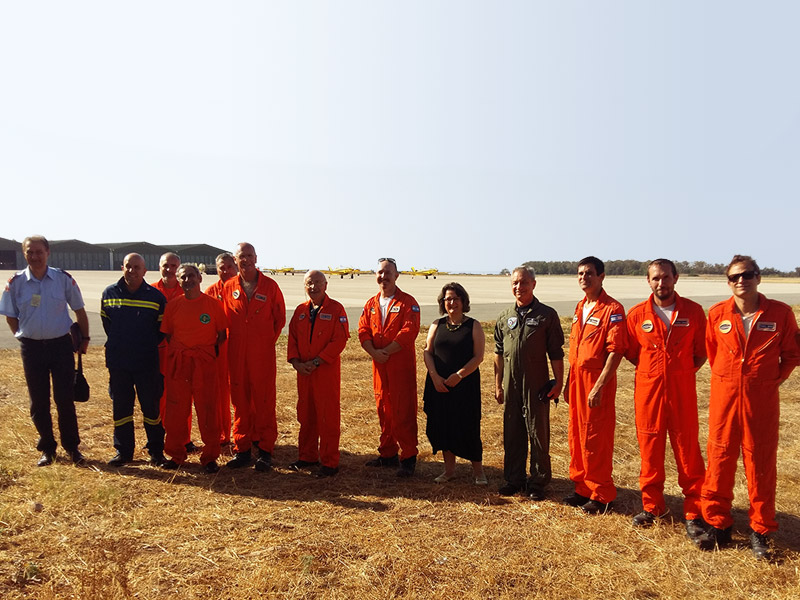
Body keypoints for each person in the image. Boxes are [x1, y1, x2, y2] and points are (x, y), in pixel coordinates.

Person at [694, 255, 800, 559]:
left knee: (761, 466)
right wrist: (732, 382)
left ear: (759, 278)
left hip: (761, 404)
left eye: (748, 275)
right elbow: (713, 355)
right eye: (735, 277)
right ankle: (718, 525)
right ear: (728, 282)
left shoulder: (779, 314)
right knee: (719, 461)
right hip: (725, 402)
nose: (742, 281)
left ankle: (761, 530)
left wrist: (769, 383)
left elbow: (792, 355)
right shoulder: (716, 314)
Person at [625, 259, 707, 534]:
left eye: (666, 277)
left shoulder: (693, 312)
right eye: (656, 278)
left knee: (688, 452)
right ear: (648, 281)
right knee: (650, 451)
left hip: (681, 391)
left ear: (676, 278)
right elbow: (633, 353)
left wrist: (678, 372)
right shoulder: (637, 315)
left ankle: (695, 511)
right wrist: (655, 372)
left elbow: (700, 352)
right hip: (649, 393)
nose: (661, 283)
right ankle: (652, 506)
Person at [0, 236, 89, 466]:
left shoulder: (62, 279)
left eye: (39, 252)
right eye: (30, 252)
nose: (35, 256)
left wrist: (85, 338)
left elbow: (79, 310)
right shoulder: (16, 282)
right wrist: (22, 334)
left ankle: (72, 447)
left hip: (61, 346)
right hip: (32, 349)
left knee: (65, 399)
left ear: (48, 252)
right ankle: (47, 448)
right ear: (24, 254)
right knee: (39, 401)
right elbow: (10, 315)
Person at [564, 256, 628, 514]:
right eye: (580, 273)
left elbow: (616, 350)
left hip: (595, 379)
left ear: (601, 276)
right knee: (576, 436)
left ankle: (602, 494)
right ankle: (582, 488)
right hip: (577, 379)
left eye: (589, 273)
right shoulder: (581, 307)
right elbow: (574, 349)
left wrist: (600, 385)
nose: (584, 277)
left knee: (595, 437)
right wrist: (568, 382)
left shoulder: (612, 309)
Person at [493, 266, 564, 498]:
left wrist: (559, 383)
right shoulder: (505, 317)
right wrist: (497, 384)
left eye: (523, 282)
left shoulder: (546, 315)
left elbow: (556, 353)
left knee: (538, 433)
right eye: (514, 283)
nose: (518, 287)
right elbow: (498, 352)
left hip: (536, 385)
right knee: (512, 432)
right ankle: (514, 479)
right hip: (511, 385)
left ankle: (538, 482)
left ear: (533, 284)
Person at [221, 242, 286, 471]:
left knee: (264, 401)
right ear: (236, 260)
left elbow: (279, 318)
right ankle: (243, 450)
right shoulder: (228, 287)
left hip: (262, 356)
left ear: (256, 258)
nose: (246, 260)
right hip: (236, 355)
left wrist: (265, 341)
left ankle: (265, 450)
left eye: (249, 255)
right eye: (241, 256)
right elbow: (221, 318)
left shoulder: (270, 286)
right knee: (240, 402)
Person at [101, 253, 167, 467]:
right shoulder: (109, 293)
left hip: (146, 362)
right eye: (129, 266)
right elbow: (107, 324)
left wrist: (142, 345)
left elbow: (161, 330)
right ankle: (124, 451)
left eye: (137, 267)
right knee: (121, 408)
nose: (132, 271)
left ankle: (156, 451)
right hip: (119, 362)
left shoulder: (156, 297)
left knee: (151, 409)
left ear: (145, 271)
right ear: (123, 268)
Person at [159, 264, 227, 473]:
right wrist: (184, 350)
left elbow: (221, 335)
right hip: (180, 364)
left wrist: (203, 351)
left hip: (204, 364)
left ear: (199, 277)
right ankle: (176, 454)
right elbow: (168, 334)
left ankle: (210, 456)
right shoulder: (173, 306)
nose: (187, 280)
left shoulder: (213, 305)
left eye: (191, 276)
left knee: (207, 409)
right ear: (178, 281)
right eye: (183, 277)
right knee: (176, 410)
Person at [358, 258, 421, 477]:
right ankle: (388, 453)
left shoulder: (407, 302)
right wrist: (374, 353)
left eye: (388, 273)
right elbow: (363, 331)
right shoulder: (371, 304)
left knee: (403, 410)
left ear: (396, 275)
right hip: (379, 366)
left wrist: (387, 352)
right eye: (380, 273)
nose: (383, 277)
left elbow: (409, 331)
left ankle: (408, 455)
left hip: (399, 366)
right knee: (383, 408)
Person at [287, 270, 349, 478]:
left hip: (325, 372)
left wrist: (316, 361)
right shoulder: (300, 311)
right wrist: (296, 362)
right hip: (304, 373)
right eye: (309, 283)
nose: (313, 287)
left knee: (327, 416)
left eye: (317, 283)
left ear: (326, 285)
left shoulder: (336, 309)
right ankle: (307, 456)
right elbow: (292, 338)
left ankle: (330, 461)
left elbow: (339, 340)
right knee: (306, 414)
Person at [423, 282, 487, 485]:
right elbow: (427, 352)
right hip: (439, 385)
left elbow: (478, 357)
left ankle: (478, 472)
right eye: (448, 299)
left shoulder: (473, 325)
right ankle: (449, 471)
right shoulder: (437, 324)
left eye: (455, 299)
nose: (451, 302)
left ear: (463, 301)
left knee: (468, 426)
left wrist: (459, 375)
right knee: (444, 426)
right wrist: (434, 376)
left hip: (464, 386)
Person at [204, 252, 238, 446]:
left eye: (229, 267)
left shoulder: (244, 288)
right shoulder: (211, 292)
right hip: (218, 349)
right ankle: (223, 434)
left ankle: (245, 433)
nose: (225, 272)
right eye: (221, 268)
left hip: (239, 347)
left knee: (242, 392)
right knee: (219, 394)